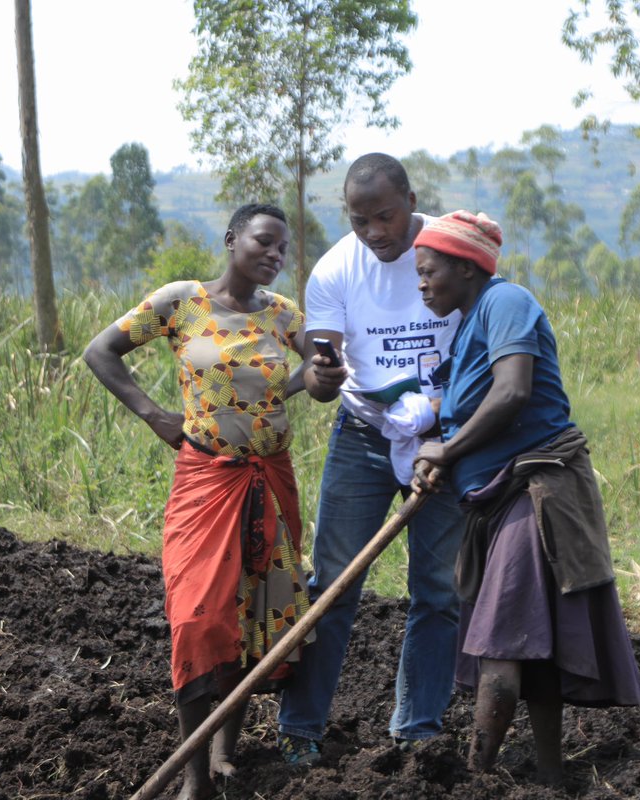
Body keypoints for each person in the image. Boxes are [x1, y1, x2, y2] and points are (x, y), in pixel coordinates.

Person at [84, 204, 312, 800]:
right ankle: (193, 779)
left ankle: (224, 752)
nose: (274, 254)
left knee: (248, 611)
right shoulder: (182, 301)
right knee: (194, 618)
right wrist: (157, 416)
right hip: (206, 480)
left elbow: (320, 365)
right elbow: (100, 352)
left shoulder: (284, 314)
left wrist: (300, 386)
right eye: (264, 242)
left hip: (269, 478)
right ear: (232, 239)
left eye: (282, 249)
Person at [410, 210, 640, 785]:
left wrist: (449, 449)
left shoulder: (505, 301)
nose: (420, 285)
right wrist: (436, 450)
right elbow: (463, 409)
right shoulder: (465, 327)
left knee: (501, 639)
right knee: (528, 637)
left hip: (536, 487)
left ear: (466, 268)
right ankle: (550, 772)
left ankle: (476, 777)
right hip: (497, 496)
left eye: (428, 271)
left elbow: (513, 390)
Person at [276, 153, 465, 765]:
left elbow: (480, 341)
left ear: (411, 199)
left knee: (437, 589)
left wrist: (446, 435)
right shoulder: (335, 271)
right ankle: (301, 728)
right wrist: (322, 374)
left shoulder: (449, 253)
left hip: (442, 437)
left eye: (385, 216)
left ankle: (418, 728)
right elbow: (321, 369)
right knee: (333, 582)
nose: (375, 232)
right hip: (362, 434)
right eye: (361, 222)